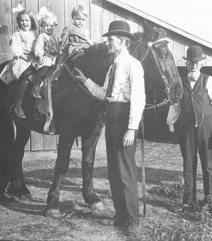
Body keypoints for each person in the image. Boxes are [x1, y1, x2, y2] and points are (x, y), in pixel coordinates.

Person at [73, 21, 145, 231]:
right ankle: (120, 215)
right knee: (114, 171)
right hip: (112, 116)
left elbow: (138, 99)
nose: (107, 43)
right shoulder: (113, 66)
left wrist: (132, 128)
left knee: (126, 171)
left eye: (110, 39)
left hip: (124, 116)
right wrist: (85, 81)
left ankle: (133, 220)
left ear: (122, 41)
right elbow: (104, 93)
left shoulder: (133, 65)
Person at [167, 45, 212, 210]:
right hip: (186, 129)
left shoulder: (209, 81)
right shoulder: (180, 83)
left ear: (201, 64)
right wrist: (171, 122)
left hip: (206, 129)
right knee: (189, 164)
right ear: (186, 64)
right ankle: (188, 200)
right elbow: (175, 105)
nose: (193, 66)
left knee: (208, 165)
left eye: (196, 63)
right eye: (191, 63)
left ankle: (210, 200)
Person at [5, 5, 38, 118]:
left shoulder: (34, 34)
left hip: (34, 58)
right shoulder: (17, 34)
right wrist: (25, 57)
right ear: (18, 23)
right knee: (26, 74)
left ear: (31, 21)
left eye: (27, 20)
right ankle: (18, 104)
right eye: (22, 21)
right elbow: (16, 49)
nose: (25, 23)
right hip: (22, 60)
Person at [51, 4, 92, 81]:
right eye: (78, 19)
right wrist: (61, 47)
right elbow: (64, 38)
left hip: (83, 46)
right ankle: (57, 74)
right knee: (65, 58)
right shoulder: (70, 27)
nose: (80, 22)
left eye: (83, 20)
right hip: (73, 46)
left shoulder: (85, 31)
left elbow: (87, 40)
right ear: (73, 17)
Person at [31, 8, 60, 99]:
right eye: (46, 26)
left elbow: (58, 48)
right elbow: (38, 48)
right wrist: (39, 55)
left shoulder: (55, 37)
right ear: (42, 27)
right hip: (46, 59)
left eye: (51, 25)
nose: (49, 28)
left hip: (55, 59)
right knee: (44, 69)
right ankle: (36, 87)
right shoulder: (42, 36)